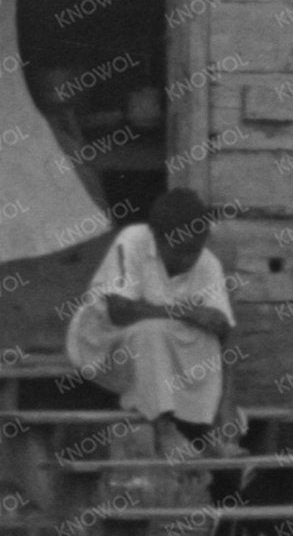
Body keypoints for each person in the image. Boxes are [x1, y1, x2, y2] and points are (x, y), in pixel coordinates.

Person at [63, 187, 238, 453]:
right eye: (179, 251)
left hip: (160, 358)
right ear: (157, 238)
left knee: (208, 336)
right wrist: (186, 312)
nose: (189, 259)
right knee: (151, 331)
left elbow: (226, 332)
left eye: (195, 249)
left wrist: (227, 404)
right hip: (103, 347)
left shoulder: (207, 262)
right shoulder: (132, 241)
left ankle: (209, 429)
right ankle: (163, 428)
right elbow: (119, 311)